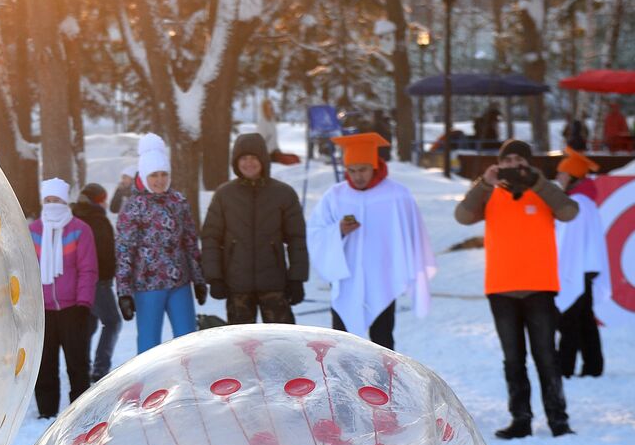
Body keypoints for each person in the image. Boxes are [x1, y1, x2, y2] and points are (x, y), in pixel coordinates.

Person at [455, 139, 578, 439]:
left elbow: (569, 212)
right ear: (499, 164)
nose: (513, 165)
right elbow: (462, 216)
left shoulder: (544, 190)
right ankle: (520, 419)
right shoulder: (490, 192)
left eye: (518, 159)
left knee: (547, 356)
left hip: (540, 287)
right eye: (507, 160)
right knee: (513, 359)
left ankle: (558, 420)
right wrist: (485, 183)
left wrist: (537, 182)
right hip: (501, 288)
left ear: (529, 163)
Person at [306, 133, 434, 351]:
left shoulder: (396, 195)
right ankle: (345, 384)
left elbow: (413, 233)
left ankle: (383, 383)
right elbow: (315, 232)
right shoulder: (335, 196)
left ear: (375, 166)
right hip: (346, 281)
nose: (357, 176)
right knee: (342, 345)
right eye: (352, 170)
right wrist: (337, 231)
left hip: (383, 278)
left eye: (363, 169)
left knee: (382, 342)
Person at [201, 133, 308, 326]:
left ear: (263, 160)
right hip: (237, 286)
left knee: (281, 344)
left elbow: (296, 238)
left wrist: (297, 279)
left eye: (253, 157)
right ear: (236, 162)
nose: (248, 163)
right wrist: (214, 277)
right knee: (242, 348)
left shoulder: (283, 194)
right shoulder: (224, 195)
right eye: (243, 158)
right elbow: (210, 237)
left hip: (275, 285)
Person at [114, 135, 206, 354]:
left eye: (164, 174)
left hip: (179, 284)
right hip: (147, 286)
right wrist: (124, 292)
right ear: (144, 176)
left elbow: (190, 243)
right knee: (149, 345)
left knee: (188, 341)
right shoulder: (134, 207)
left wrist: (199, 279)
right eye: (154, 175)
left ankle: (188, 383)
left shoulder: (178, 201)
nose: (159, 180)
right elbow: (124, 251)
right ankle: (149, 387)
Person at [30, 177, 98, 419]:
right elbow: (27, 270)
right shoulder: (33, 231)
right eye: (48, 200)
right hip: (43, 311)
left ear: (65, 201)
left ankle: (80, 410)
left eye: (57, 200)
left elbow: (88, 269)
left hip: (73, 308)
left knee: (77, 363)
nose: (52, 204)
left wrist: (83, 304)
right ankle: (46, 411)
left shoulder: (80, 230)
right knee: (45, 363)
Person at [553, 148, 609, 379]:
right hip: (587, 267)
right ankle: (593, 365)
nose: (558, 178)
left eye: (561, 174)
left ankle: (565, 367)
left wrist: (564, 269)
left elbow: (569, 244)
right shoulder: (585, 201)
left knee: (570, 318)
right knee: (584, 317)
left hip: (577, 269)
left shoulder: (576, 203)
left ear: (571, 177)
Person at [72, 183, 120, 381]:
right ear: (96, 200)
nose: (105, 202)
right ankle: (100, 368)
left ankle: (82, 364)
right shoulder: (96, 220)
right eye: (102, 199)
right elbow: (102, 253)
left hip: (81, 280)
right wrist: (109, 274)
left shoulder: (76, 215)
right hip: (97, 281)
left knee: (89, 324)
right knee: (112, 322)